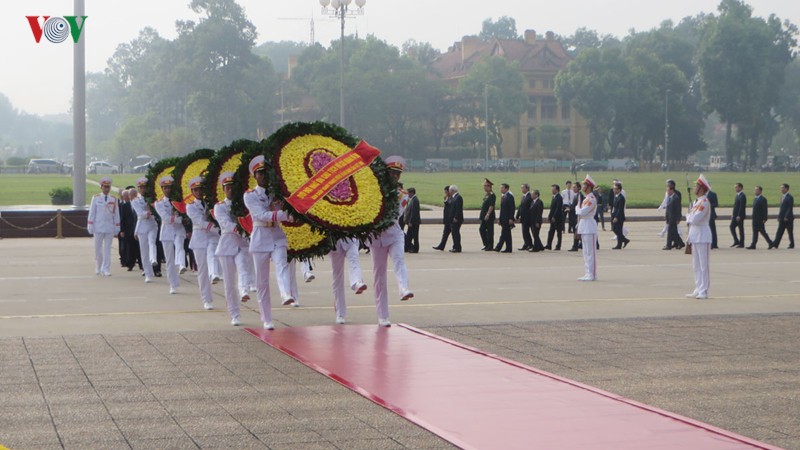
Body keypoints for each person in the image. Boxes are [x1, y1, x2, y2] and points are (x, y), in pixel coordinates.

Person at [242, 156, 295, 330]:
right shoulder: (250, 195)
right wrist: (284, 214)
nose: (263, 176)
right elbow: (262, 215)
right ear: (254, 176)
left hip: (277, 235)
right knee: (262, 281)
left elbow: (288, 212)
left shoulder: (277, 193)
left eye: (265, 172)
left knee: (281, 264)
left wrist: (290, 213)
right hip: (260, 238)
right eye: (260, 173)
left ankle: (286, 293)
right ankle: (266, 318)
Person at [368, 156, 414, 327]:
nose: (395, 176)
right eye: (392, 173)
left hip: (394, 234)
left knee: (399, 260)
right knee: (379, 277)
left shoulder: (403, 196)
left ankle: (404, 288)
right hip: (377, 238)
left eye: (397, 174)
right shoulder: (373, 191)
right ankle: (382, 315)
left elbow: (391, 214)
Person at [214, 172, 250, 326]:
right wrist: (243, 228)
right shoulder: (219, 207)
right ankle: (234, 314)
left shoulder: (243, 205)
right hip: (227, 244)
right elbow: (225, 224)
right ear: (223, 189)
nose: (230, 190)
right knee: (229, 283)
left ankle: (244, 291)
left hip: (241, 243)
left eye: (232, 187)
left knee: (243, 267)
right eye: (227, 188)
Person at [186, 176, 220, 311]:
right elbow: (199, 221)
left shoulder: (210, 203)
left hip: (211, 236)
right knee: (202, 270)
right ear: (192, 192)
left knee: (213, 253)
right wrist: (217, 228)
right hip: (199, 237)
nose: (199, 192)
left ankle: (215, 273)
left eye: (200, 189)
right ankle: (206, 299)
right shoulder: (190, 206)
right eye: (196, 190)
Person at [155, 176, 186, 294]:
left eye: (169, 187)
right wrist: (178, 219)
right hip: (167, 230)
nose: (167, 190)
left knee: (180, 246)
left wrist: (179, 219)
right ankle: (172, 284)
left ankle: (182, 263)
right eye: (165, 188)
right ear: (162, 189)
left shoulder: (178, 201)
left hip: (178, 229)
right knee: (169, 259)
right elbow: (166, 218)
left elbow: (183, 213)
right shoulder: (159, 203)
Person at [686, 175, 713, 299]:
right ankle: (698, 287)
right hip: (695, 235)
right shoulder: (697, 202)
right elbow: (692, 220)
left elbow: (695, 219)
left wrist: (688, 217)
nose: (694, 188)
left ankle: (704, 290)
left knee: (703, 265)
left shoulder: (704, 203)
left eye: (696, 186)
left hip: (703, 234)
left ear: (702, 188)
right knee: (695, 265)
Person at [330, 238, 368, 324]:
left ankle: (357, 283)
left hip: (351, 239)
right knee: (337, 277)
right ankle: (340, 313)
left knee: (354, 259)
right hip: (335, 242)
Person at [87, 177, 120, 276]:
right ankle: (98, 265)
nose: (107, 189)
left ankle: (106, 268)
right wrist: (90, 225)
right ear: (101, 187)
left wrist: (117, 227)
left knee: (107, 248)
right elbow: (92, 212)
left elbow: (116, 214)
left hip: (109, 226)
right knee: (97, 248)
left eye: (108, 187)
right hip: (98, 226)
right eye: (105, 187)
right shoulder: (96, 198)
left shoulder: (113, 199)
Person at [132, 178, 157, 282]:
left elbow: (156, 211)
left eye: (144, 187)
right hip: (142, 225)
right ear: (138, 188)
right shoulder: (135, 201)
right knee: (144, 250)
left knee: (152, 242)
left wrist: (149, 213)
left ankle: (153, 259)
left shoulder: (152, 199)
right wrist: (148, 212)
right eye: (141, 187)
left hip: (152, 224)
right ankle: (147, 273)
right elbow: (140, 213)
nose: (143, 189)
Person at [576, 175, 598, 281]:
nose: (583, 186)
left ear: (589, 186)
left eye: (584, 184)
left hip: (589, 225)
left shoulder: (592, 199)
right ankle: (587, 272)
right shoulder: (586, 198)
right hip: (584, 224)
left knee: (590, 252)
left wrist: (577, 209)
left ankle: (592, 274)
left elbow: (582, 212)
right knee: (585, 251)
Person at [493, 183, 515, 252]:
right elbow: (502, 210)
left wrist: (511, 218)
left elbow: (512, 208)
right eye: (501, 188)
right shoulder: (503, 196)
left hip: (507, 218)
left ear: (507, 189)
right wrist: (499, 219)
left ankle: (498, 247)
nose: (501, 189)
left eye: (502, 188)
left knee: (504, 233)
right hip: (503, 218)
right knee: (507, 234)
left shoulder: (510, 196)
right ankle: (509, 248)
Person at [771, 183, 794, 249]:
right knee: (779, 231)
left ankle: (792, 244)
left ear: (786, 189)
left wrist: (786, 216)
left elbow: (790, 208)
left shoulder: (790, 197)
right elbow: (781, 208)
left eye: (782, 188)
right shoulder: (782, 197)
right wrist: (779, 216)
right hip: (782, 218)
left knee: (790, 232)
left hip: (788, 218)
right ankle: (775, 244)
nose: (781, 189)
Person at [664, 184, 685, 250]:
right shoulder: (670, 198)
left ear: (672, 190)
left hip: (673, 218)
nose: (667, 192)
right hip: (670, 217)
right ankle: (681, 243)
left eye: (668, 190)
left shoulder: (676, 198)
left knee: (670, 232)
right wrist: (666, 216)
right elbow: (668, 209)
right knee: (674, 232)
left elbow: (678, 209)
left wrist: (678, 218)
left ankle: (668, 245)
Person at [479, 179, 496, 251]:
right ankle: (486, 244)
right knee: (482, 229)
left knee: (489, 231)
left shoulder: (492, 195)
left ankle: (490, 245)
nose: (484, 187)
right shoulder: (487, 195)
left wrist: (488, 214)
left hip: (489, 216)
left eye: (486, 186)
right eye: (484, 186)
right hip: (484, 215)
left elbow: (491, 206)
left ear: (489, 186)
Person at [433, 186, 452, 251]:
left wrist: (445, 200)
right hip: (447, 220)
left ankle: (457, 246)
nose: (445, 194)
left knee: (454, 234)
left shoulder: (453, 198)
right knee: (445, 234)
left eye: (446, 192)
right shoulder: (449, 198)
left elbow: (450, 207)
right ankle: (441, 245)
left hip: (451, 220)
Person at [611, 183, 629, 249]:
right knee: (615, 229)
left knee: (618, 230)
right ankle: (624, 240)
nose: (614, 190)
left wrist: (616, 217)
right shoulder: (616, 196)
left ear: (619, 190)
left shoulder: (621, 198)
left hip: (619, 217)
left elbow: (620, 209)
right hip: (614, 215)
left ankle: (619, 244)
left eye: (616, 189)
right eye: (614, 189)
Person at [545, 184, 563, 251]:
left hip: (557, 218)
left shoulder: (559, 197)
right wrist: (549, 216)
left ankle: (558, 245)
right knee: (551, 232)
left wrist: (554, 216)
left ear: (557, 190)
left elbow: (558, 208)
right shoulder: (554, 197)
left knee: (558, 232)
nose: (552, 190)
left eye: (553, 189)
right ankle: (549, 244)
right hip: (552, 217)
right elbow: (552, 208)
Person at [567, 182, 584, 252]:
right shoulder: (576, 195)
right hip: (574, 216)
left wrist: (570, 209)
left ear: (579, 188)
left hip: (577, 217)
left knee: (576, 231)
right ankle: (580, 244)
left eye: (575, 187)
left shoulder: (580, 196)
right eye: (573, 187)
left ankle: (575, 246)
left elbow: (578, 207)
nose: (573, 188)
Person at [516, 183, 533, 251]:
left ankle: (530, 244)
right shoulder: (523, 197)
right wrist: (517, 216)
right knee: (524, 231)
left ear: (527, 189)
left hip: (528, 218)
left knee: (526, 231)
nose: (522, 189)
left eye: (523, 188)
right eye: (521, 188)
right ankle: (526, 243)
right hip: (523, 217)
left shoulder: (530, 197)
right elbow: (521, 207)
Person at [730, 182, 746, 248]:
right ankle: (736, 240)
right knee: (731, 227)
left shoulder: (742, 196)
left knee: (740, 229)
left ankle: (741, 243)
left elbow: (741, 207)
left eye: (737, 187)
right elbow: (735, 206)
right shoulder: (737, 195)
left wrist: (739, 215)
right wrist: (733, 215)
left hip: (739, 216)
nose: (735, 188)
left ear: (740, 188)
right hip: (735, 215)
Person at [404, 187, 421, 253]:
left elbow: (414, 212)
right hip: (412, 222)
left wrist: (411, 221)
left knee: (415, 236)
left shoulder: (415, 200)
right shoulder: (413, 200)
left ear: (411, 193)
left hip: (414, 222)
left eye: (408, 193)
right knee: (409, 235)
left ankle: (415, 248)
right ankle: (407, 247)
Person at [449, 185, 463, 253]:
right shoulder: (454, 197)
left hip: (457, 219)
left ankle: (457, 247)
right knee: (454, 233)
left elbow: (458, 209)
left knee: (456, 233)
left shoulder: (458, 197)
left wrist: (456, 217)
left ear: (452, 190)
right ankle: (455, 246)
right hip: (453, 218)